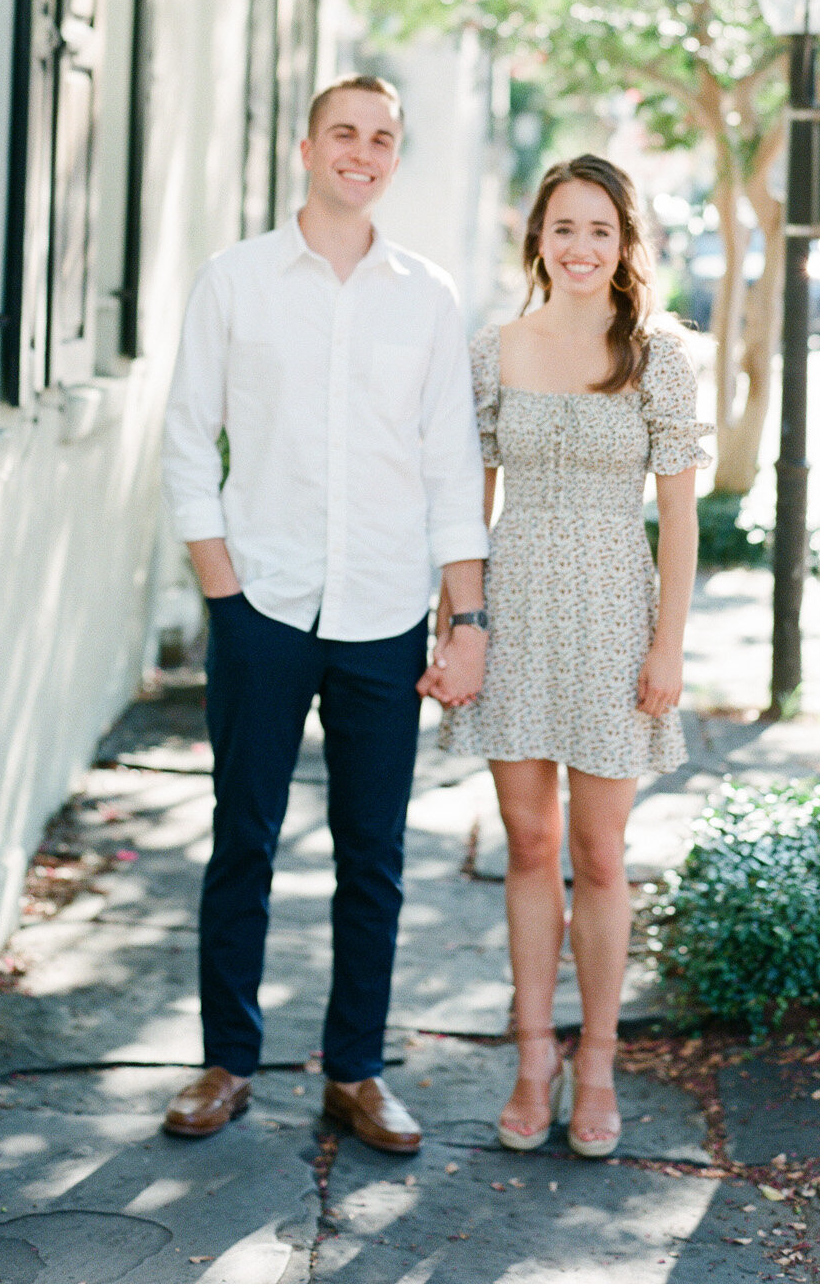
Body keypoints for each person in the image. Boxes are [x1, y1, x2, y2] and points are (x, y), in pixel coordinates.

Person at [160, 74, 489, 1154]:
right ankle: (226, 1060)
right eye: (344, 131)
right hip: (263, 598)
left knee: (374, 853)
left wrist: (465, 616)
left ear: (396, 158)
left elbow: (450, 462)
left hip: (387, 608)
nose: (363, 149)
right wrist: (223, 584)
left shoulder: (426, 293)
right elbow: (184, 435)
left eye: (383, 136)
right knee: (242, 837)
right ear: (307, 146)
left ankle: (355, 1069)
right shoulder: (238, 280)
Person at [437, 155, 708, 1158]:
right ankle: (531, 1056)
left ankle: (597, 1059)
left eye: (600, 228)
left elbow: (677, 515)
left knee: (598, 853)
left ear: (626, 241)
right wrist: (457, 626)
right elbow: (466, 503)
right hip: (515, 606)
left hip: (613, 614)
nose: (581, 246)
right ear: (537, 237)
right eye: (564, 226)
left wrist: (667, 641)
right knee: (529, 844)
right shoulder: (493, 348)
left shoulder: (659, 354)